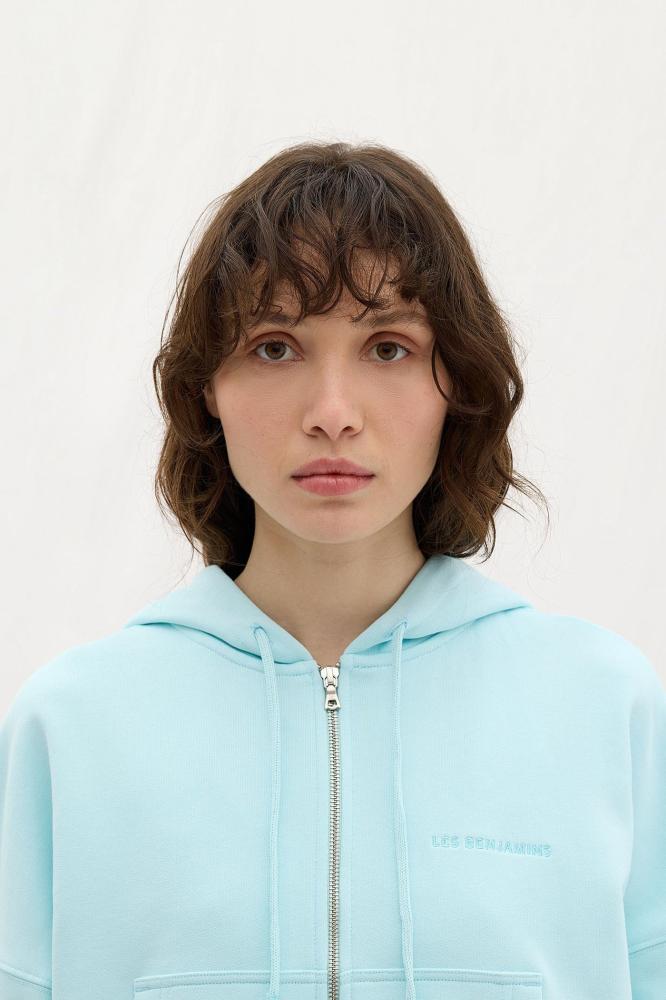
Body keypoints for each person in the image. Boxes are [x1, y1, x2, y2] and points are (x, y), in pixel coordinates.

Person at [1, 141, 664, 1000]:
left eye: (387, 348)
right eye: (275, 347)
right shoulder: (70, 727)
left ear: (456, 382)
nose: (332, 414)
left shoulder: (606, 710)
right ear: (207, 388)